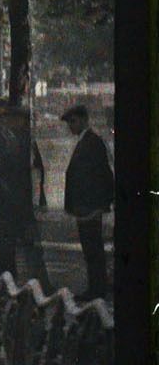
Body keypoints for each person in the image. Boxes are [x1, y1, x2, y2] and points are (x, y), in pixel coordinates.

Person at [61, 104, 114, 302]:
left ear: (84, 120)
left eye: (73, 121)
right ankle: (95, 288)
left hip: (90, 208)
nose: (70, 126)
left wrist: (101, 205)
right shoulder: (87, 141)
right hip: (85, 208)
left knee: (93, 250)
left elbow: (103, 176)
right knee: (90, 250)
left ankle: (97, 290)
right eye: (69, 123)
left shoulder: (93, 142)